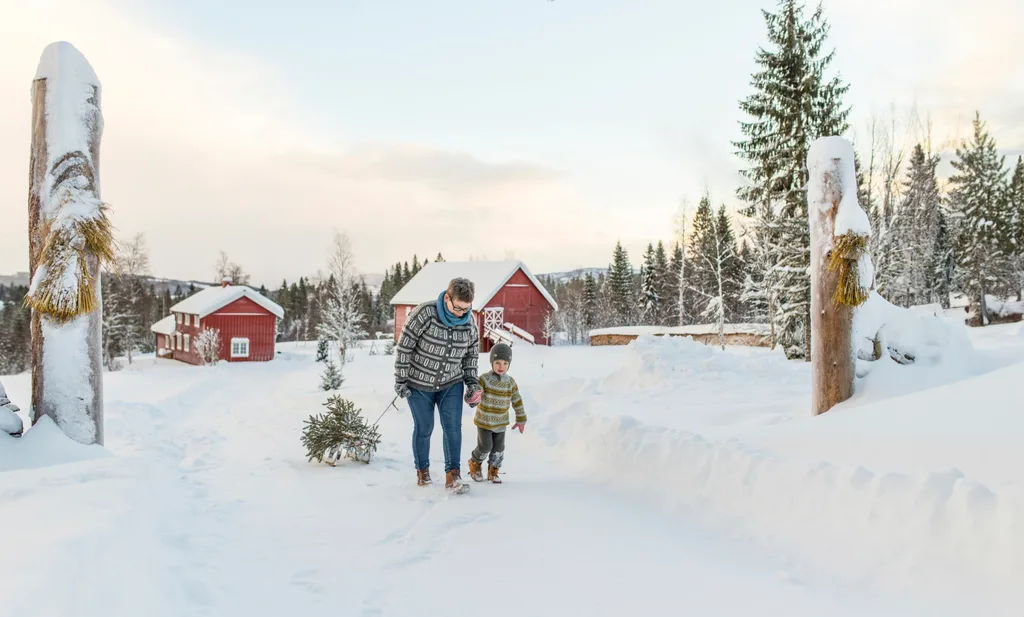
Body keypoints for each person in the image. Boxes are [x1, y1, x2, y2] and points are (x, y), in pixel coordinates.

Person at [394, 277, 482, 492]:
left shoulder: (469, 324)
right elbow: (405, 347)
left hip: (451, 383)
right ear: (447, 298)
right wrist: (401, 379)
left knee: (453, 429)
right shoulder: (424, 313)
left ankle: (453, 474)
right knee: (424, 428)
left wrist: (472, 383)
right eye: (458, 307)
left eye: (466, 308)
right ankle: (422, 471)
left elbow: (471, 357)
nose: (461, 313)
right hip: (418, 383)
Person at [467, 343, 526, 484]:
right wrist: (473, 395)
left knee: (499, 449)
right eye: (498, 362)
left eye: (505, 363)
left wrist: (521, 418)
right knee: (485, 446)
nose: (501, 366)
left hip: (501, 423)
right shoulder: (484, 379)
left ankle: (493, 471)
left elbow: (517, 400)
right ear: (492, 362)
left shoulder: (510, 382)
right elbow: (476, 391)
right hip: (484, 421)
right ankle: (474, 463)